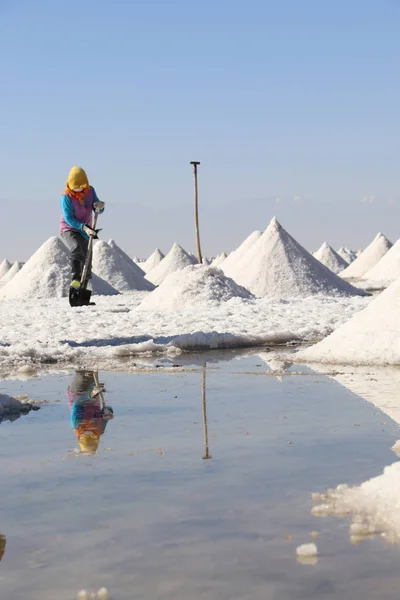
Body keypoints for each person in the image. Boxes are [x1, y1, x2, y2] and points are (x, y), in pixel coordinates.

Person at [60, 166, 105, 290]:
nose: (79, 191)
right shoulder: (66, 197)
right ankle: (75, 278)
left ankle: (83, 289)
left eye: (81, 188)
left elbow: (97, 208)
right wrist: (83, 227)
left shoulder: (90, 191)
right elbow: (68, 218)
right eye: (76, 188)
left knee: (87, 257)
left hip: (86, 230)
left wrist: (100, 207)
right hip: (70, 228)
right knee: (75, 247)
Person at [67, 370, 114, 455]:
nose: (90, 431)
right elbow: (106, 411)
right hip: (94, 394)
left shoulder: (77, 425)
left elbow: (77, 404)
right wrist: (109, 413)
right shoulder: (100, 428)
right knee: (93, 370)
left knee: (82, 374)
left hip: (78, 393)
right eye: (92, 435)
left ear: (80, 437)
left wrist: (90, 395)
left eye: (87, 436)